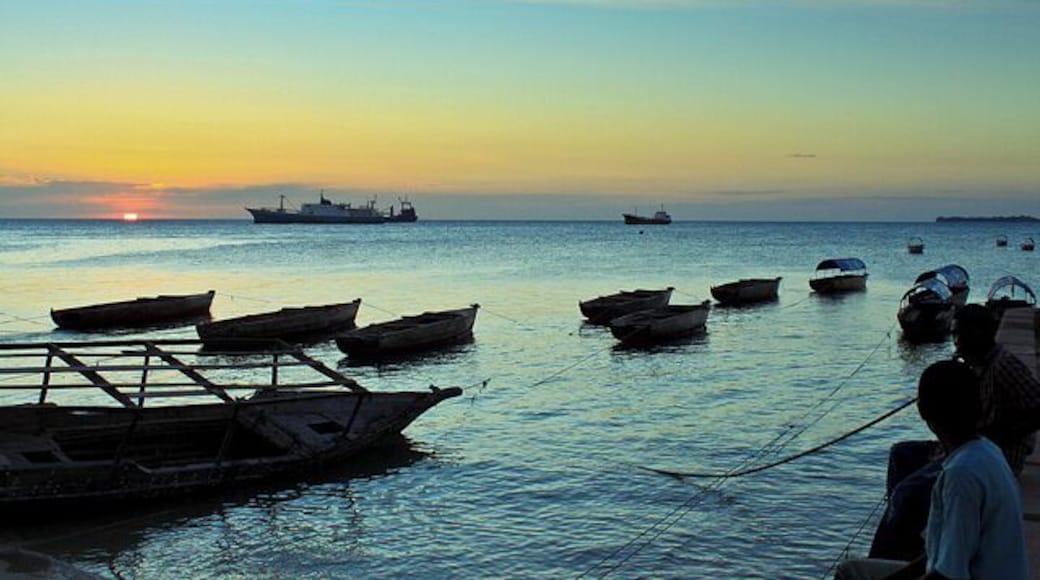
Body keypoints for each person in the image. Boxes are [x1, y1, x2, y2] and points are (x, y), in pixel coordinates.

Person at [868, 304, 1040, 560]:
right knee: (901, 454)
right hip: (968, 446)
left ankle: (892, 553)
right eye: (955, 333)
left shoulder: (1003, 366)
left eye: (961, 333)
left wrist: (998, 436)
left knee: (908, 491)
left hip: (994, 452)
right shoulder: (977, 364)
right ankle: (905, 523)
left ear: (981, 333)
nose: (956, 340)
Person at [836, 359, 1029, 580]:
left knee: (848, 573)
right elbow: (937, 555)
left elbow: (948, 576)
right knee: (855, 569)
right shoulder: (988, 451)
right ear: (980, 407)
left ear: (922, 411)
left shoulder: (960, 475)